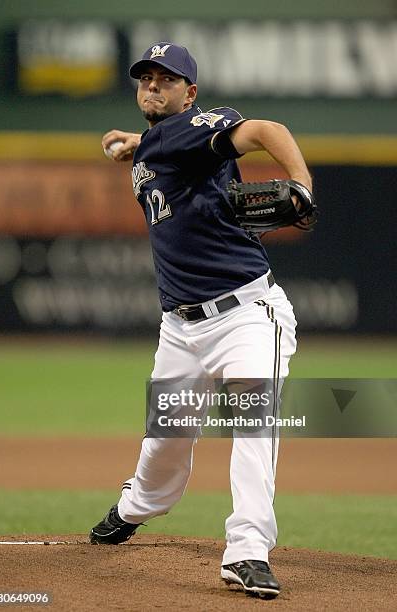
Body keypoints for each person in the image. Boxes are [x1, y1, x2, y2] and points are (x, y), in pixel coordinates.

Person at [90, 42, 312, 599]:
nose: (153, 87)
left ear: (190, 94)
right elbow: (160, 146)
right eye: (146, 78)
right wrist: (129, 145)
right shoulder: (159, 143)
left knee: (253, 421)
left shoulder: (196, 128)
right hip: (181, 329)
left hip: (247, 315)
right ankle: (135, 506)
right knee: (165, 443)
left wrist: (303, 185)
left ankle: (248, 550)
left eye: (167, 80)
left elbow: (266, 129)